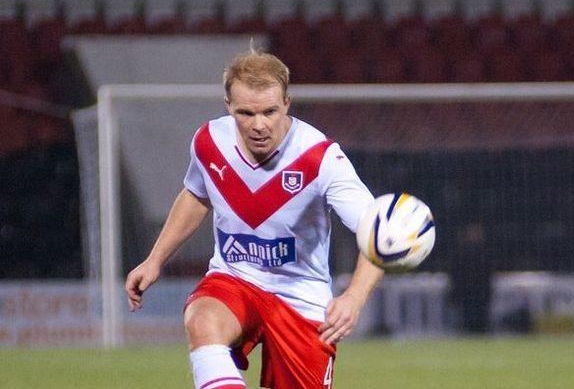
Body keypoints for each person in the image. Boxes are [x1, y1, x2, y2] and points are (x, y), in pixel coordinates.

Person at [125, 48, 384, 389]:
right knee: (202, 321)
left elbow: (378, 232)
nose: (259, 125)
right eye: (246, 113)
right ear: (228, 106)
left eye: (269, 112)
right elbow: (196, 194)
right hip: (236, 279)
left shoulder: (320, 158)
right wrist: (155, 259)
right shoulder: (209, 141)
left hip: (301, 298)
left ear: (287, 104)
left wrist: (353, 297)